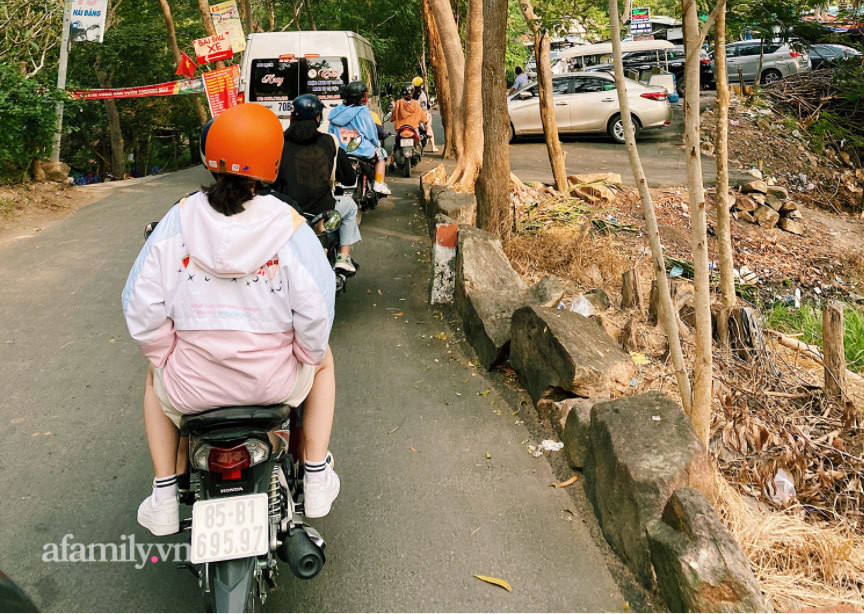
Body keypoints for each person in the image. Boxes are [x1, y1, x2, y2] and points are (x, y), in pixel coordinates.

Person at [123, 103, 340, 536]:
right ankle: (315, 475)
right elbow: (316, 310)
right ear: (272, 164)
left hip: (191, 387)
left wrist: (165, 355)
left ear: (209, 157)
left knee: (152, 375)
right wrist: (304, 354)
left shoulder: (178, 219)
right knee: (324, 361)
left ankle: (165, 495)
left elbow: (140, 307)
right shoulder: (289, 225)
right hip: (272, 384)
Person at [275, 94, 363, 275]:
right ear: (318, 117)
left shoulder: (279, 143)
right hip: (323, 212)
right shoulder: (330, 141)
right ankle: (344, 257)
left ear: (292, 117)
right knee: (351, 206)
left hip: (288, 212)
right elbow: (348, 178)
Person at [327, 81, 391, 196]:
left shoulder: (335, 112)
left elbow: (330, 134)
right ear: (362, 97)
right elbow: (370, 132)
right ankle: (378, 184)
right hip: (362, 150)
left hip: (341, 152)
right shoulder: (363, 111)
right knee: (381, 156)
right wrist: (376, 144)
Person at [411, 76, 438, 153]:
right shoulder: (421, 95)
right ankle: (433, 145)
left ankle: (433, 145)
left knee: (428, 119)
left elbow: (424, 109)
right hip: (417, 116)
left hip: (415, 116)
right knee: (429, 119)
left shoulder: (415, 94)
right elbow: (424, 110)